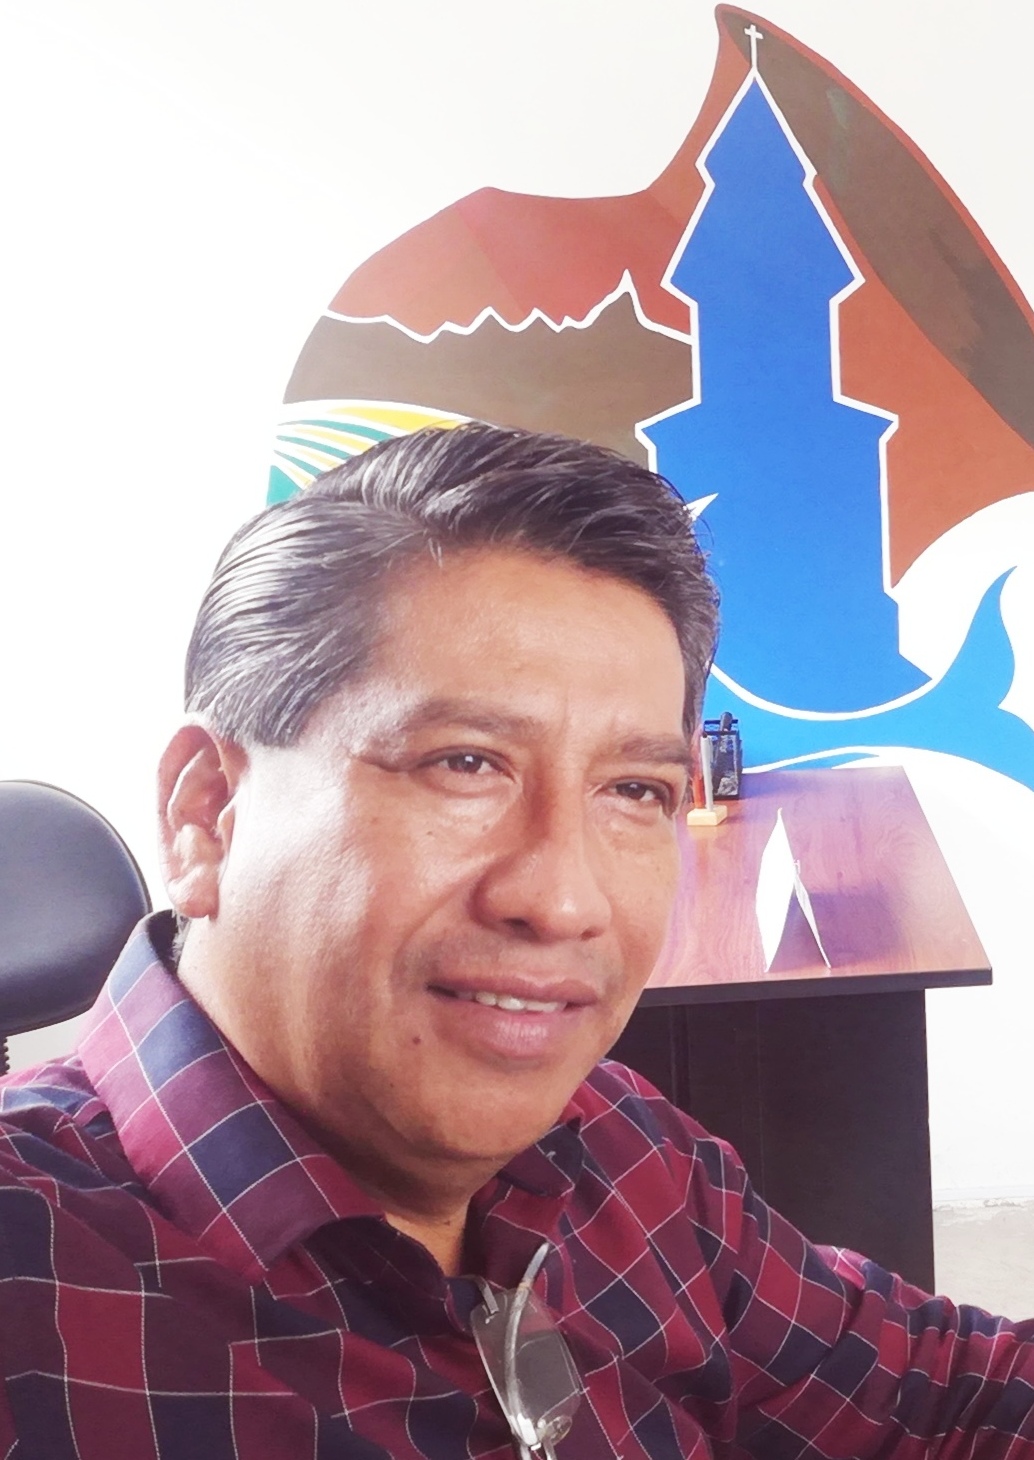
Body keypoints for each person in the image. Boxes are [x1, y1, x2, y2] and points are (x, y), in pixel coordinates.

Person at [1, 423, 1032, 1460]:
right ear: (207, 812)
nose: (563, 898)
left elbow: (946, 1396)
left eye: (633, 790)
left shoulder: (620, 1153)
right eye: (464, 763)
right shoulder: (35, 1291)